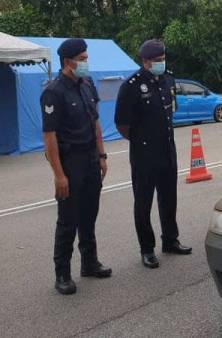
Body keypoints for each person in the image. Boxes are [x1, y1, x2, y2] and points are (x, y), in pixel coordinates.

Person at [41, 38, 112, 295]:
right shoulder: (54, 91)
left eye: (86, 57)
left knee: (89, 215)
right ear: (67, 61)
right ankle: (62, 273)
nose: (86, 62)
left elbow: (95, 123)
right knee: (68, 220)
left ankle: (89, 263)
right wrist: (59, 174)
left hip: (91, 158)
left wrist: (102, 155)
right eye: (82, 58)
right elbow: (49, 136)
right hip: (70, 162)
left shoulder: (87, 84)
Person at [114, 39, 192, 269]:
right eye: (157, 60)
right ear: (145, 61)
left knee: (169, 198)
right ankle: (147, 249)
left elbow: (170, 112)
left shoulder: (168, 79)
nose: (161, 63)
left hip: (167, 149)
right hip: (145, 153)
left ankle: (170, 239)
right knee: (143, 202)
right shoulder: (132, 85)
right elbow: (122, 124)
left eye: (163, 59)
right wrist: (141, 141)